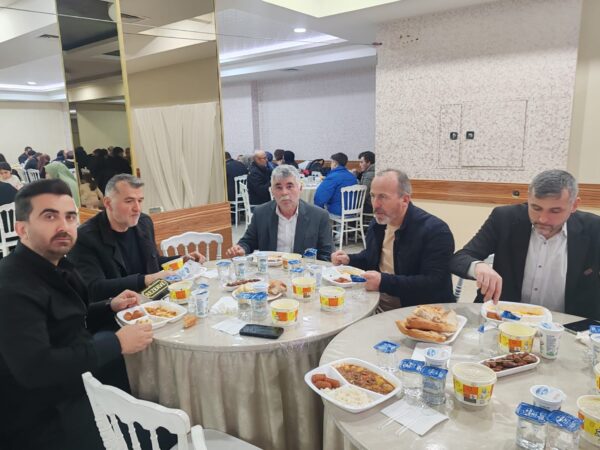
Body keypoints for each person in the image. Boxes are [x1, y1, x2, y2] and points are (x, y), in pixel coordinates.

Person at [0, 179, 153, 450]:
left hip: (77, 385)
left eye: (70, 217)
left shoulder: (58, 266)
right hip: (43, 417)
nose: (64, 226)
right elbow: (36, 368)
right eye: (49, 216)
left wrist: (109, 305)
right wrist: (116, 343)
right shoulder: (11, 285)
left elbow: (67, 318)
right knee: (163, 433)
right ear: (22, 228)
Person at [450, 169, 600, 319]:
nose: (542, 219)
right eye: (536, 208)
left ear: (574, 205)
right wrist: (478, 266)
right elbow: (460, 258)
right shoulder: (505, 218)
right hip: (503, 320)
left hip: (567, 324)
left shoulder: (594, 228)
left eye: (555, 211)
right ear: (528, 198)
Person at [331, 169, 455, 311]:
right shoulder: (378, 224)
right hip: (376, 304)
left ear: (405, 200)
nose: (375, 204)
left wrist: (383, 282)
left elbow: (434, 283)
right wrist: (349, 259)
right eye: (373, 196)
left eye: (383, 197)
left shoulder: (435, 231)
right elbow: (372, 257)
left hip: (418, 312)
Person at [68, 174, 205, 302]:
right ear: (108, 203)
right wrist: (146, 279)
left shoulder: (144, 222)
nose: (137, 208)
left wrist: (181, 260)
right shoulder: (84, 237)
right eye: (129, 201)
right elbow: (94, 288)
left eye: (140, 201)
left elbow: (152, 261)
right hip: (114, 311)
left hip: (153, 303)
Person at [227, 165, 334, 261]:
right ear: (272, 191)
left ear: (300, 188)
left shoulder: (319, 216)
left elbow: (326, 254)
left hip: (303, 273)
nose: (284, 192)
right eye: (278, 187)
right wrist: (241, 249)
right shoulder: (261, 213)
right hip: (271, 272)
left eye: (290, 186)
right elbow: (248, 241)